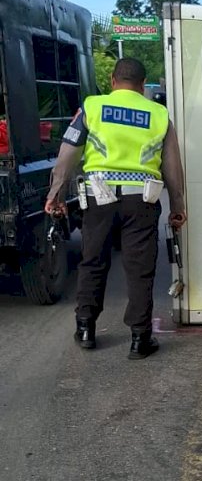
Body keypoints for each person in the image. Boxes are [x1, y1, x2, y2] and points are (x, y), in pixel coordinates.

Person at [45, 57, 187, 358]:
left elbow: (67, 154)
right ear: (142, 86)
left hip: (99, 197)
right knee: (140, 268)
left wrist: (55, 194)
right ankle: (139, 338)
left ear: (112, 81)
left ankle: (85, 328)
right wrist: (177, 206)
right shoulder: (158, 114)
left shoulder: (92, 107)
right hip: (143, 201)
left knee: (93, 261)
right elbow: (172, 168)